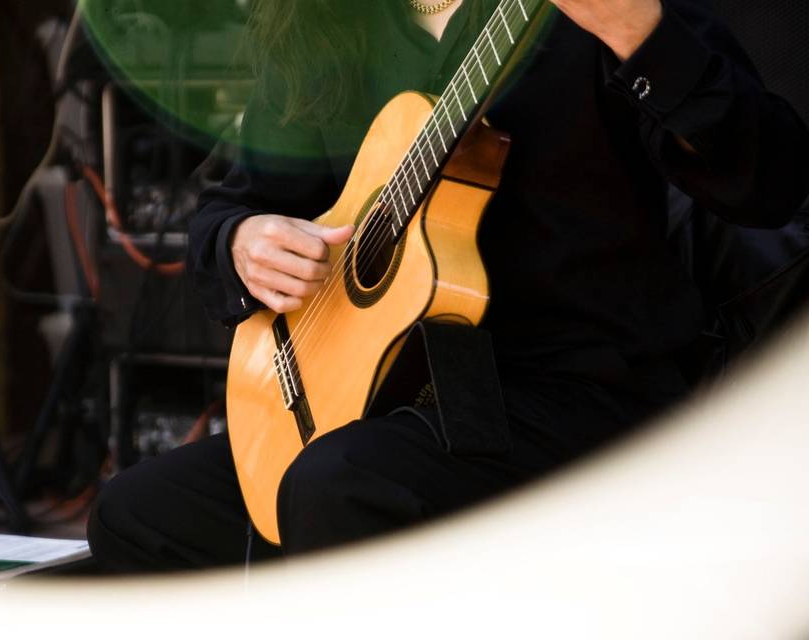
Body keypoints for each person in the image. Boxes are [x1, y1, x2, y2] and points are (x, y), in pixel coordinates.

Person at [87, 0, 809, 572]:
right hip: (378, 400)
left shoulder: (582, 13)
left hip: (578, 397)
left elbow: (768, 183)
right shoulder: (331, 21)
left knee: (339, 485)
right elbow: (231, 204)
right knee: (138, 515)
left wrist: (640, 35)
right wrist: (241, 241)